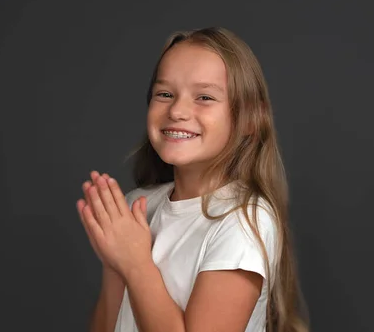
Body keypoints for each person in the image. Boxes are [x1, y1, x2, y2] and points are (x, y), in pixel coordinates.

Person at [76, 27, 309, 332]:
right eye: (165, 94)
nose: (177, 110)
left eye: (204, 97)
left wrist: (135, 264)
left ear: (251, 118)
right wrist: (115, 264)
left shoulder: (242, 221)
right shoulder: (137, 207)